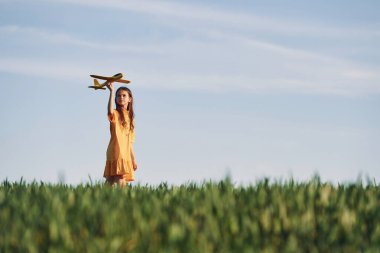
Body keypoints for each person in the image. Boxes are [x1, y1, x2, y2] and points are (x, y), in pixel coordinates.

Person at [103, 82, 137, 186]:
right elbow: (109, 111)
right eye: (118, 96)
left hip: (125, 153)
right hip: (116, 150)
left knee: (110, 180)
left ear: (130, 99)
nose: (121, 97)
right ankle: (123, 200)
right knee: (120, 178)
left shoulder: (131, 119)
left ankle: (100, 199)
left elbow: (130, 142)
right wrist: (111, 91)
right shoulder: (115, 114)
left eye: (124, 95)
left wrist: (133, 159)